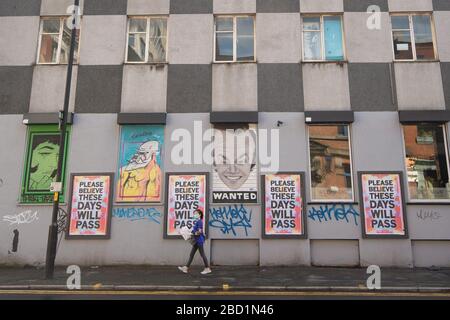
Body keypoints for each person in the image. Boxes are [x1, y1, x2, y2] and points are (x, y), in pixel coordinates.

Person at [178, 209, 211, 275]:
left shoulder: (199, 222)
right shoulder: (198, 221)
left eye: (195, 213)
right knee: (191, 254)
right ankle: (186, 268)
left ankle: (207, 268)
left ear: (199, 214)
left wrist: (192, 233)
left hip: (199, 240)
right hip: (197, 240)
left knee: (202, 254)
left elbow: (200, 231)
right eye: (194, 213)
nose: (194, 215)